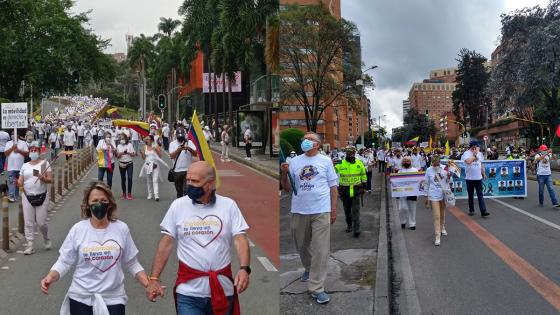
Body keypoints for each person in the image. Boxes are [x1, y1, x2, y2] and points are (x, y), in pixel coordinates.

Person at [145, 161, 250, 314]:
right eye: (188, 180)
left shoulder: (228, 206)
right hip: (189, 294)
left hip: (222, 290)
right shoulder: (178, 206)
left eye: (195, 181)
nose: (189, 185)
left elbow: (240, 239)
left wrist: (244, 269)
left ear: (210, 184)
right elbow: (166, 243)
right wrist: (154, 279)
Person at [40, 181, 149, 315]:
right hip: (81, 297)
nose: (99, 204)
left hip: (113, 298)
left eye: (103, 200)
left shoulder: (121, 229)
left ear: (110, 204)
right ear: (87, 204)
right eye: (95, 200)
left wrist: (148, 284)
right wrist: (50, 277)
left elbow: (132, 262)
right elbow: (64, 261)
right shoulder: (78, 230)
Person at [280, 132, 338, 304]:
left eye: (310, 139)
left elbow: (333, 187)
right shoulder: (294, 162)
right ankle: (308, 267)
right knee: (302, 245)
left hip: (321, 210)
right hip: (299, 210)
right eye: (304, 138)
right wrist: (284, 173)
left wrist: (333, 210)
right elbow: (287, 188)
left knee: (321, 249)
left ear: (318, 144)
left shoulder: (325, 161)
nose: (305, 141)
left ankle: (316, 287)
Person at [17, 141, 52, 255]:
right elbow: (21, 181)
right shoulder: (24, 165)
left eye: (35, 150)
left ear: (39, 151)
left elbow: (50, 179)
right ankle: (30, 245)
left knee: (41, 222)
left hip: (42, 195)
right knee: (28, 222)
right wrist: (18, 182)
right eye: (31, 150)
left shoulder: (44, 164)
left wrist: (43, 178)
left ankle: (46, 237)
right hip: (27, 196)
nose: (33, 152)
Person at [335, 146, 366, 237]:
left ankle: (357, 229)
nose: (350, 154)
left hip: (356, 191)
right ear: (346, 153)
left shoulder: (359, 163)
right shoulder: (340, 163)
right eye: (348, 153)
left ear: (354, 153)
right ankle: (349, 225)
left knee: (356, 211)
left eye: (352, 153)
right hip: (344, 192)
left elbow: (363, 176)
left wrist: (364, 187)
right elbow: (332, 171)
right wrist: (331, 163)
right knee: (347, 210)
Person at [425, 155, 451, 246]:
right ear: (432, 162)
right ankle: (437, 236)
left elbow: (448, 182)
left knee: (442, 213)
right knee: (436, 215)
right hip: (433, 194)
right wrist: (426, 196)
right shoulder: (428, 170)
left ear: (439, 162)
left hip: (443, 193)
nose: (436, 165)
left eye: (437, 163)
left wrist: (448, 177)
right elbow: (426, 184)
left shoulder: (444, 168)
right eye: (434, 164)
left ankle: (442, 227)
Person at [461, 140, 489, 217]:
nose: (477, 148)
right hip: (469, 178)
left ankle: (483, 211)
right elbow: (468, 161)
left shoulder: (480, 154)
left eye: (477, 146)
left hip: (478, 178)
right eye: (476, 146)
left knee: (480, 195)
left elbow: (481, 164)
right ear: (472, 147)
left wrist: (483, 173)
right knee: (471, 195)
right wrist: (474, 155)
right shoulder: (466, 153)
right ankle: (471, 210)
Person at [169, 127, 197, 198]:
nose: (180, 137)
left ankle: (186, 205)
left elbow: (195, 154)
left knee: (187, 190)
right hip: (177, 171)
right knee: (179, 192)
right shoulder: (172, 144)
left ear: (184, 135)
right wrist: (178, 149)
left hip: (187, 170)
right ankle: (180, 205)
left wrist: (189, 148)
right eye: (179, 136)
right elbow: (171, 156)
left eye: (182, 136)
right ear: (176, 135)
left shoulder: (189, 142)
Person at [5, 131, 29, 202]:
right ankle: (11, 196)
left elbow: (26, 154)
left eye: (14, 134)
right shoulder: (8, 143)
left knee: (19, 182)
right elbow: (6, 153)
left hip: (20, 167)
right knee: (12, 182)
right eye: (12, 134)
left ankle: (17, 196)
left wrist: (19, 151)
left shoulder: (23, 143)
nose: (13, 135)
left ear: (18, 135)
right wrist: (12, 148)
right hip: (11, 167)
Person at [140, 135, 165, 202]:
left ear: (152, 140)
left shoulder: (156, 146)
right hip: (147, 165)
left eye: (148, 139)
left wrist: (156, 150)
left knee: (155, 180)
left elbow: (160, 156)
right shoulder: (144, 147)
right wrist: (142, 153)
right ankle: (150, 194)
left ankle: (156, 195)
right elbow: (143, 158)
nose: (146, 140)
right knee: (148, 180)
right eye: (146, 139)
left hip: (155, 165)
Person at [399, 156, 419, 230]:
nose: (406, 162)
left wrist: (417, 193)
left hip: (412, 192)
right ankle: (403, 221)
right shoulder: (400, 171)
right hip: (402, 193)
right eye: (405, 161)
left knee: (412, 208)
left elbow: (418, 181)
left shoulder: (415, 170)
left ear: (410, 162)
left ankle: (412, 224)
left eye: (408, 161)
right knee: (402, 208)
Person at [116, 133, 136, 200]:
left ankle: (129, 193)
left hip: (129, 163)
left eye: (123, 138)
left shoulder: (130, 145)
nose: (122, 140)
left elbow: (133, 154)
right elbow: (117, 157)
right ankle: (124, 193)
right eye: (121, 139)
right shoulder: (118, 146)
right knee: (123, 179)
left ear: (126, 139)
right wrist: (122, 153)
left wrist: (128, 153)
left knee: (130, 178)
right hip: (121, 164)